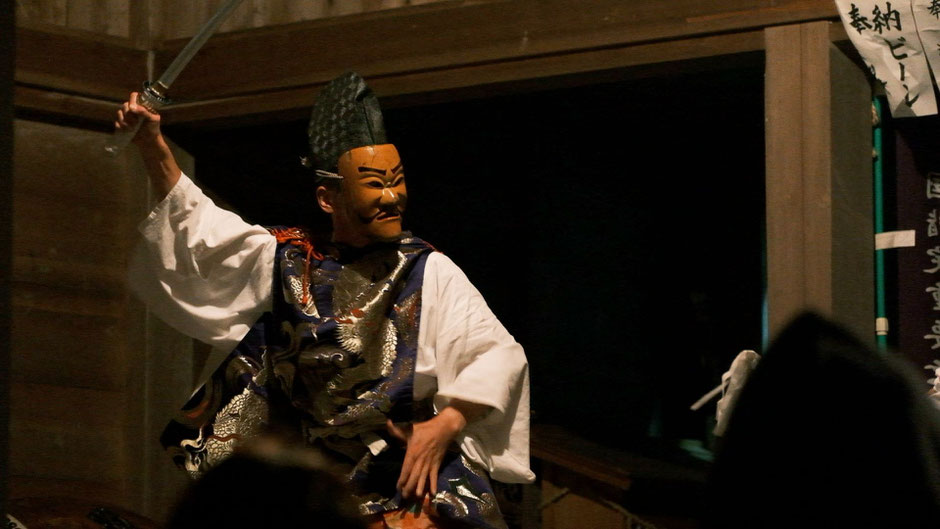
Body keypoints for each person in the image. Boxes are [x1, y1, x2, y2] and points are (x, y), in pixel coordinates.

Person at [117, 72, 533, 529]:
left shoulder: (428, 271)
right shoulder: (288, 261)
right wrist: (151, 143)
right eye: (375, 183)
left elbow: (498, 355)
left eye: (397, 180)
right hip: (310, 478)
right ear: (327, 197)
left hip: (408, 473)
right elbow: (199, 227)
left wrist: (447, 423)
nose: (392, 197)